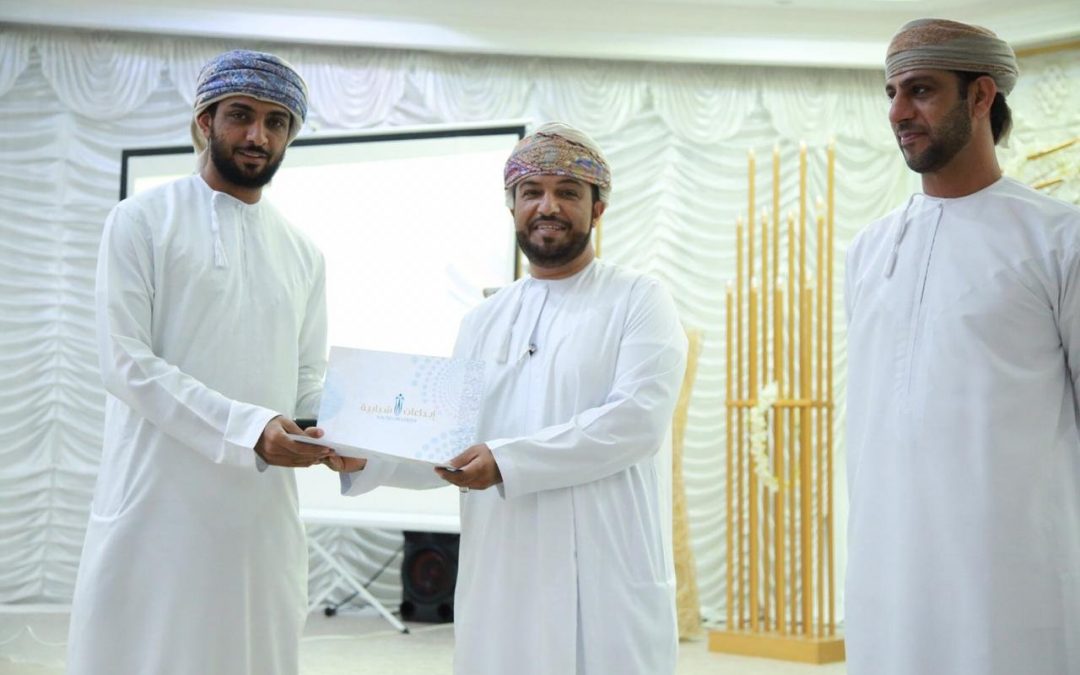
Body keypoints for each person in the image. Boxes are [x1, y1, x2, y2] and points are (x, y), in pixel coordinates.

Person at [328, 122, 688, 674]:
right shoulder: (482, 320)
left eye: (568, 192)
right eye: (531, 192)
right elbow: (448, 442)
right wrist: (366, 457)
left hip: (605, 564)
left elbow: (634, 423)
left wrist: (506, 460)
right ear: (512, 206)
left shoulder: (639, 300)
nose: (548, 206)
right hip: (504, 567)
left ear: (597, 209)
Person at [68, 50, 335, 675]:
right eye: (240, 115)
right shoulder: (141, 221)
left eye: (276, 122)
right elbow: (126, 362)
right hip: (157, 502)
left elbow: (306, 376)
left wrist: (338, 431)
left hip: (259, 514)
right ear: (204, 121)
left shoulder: (303, 252)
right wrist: (249, 429)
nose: (257, 135)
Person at [844, 18, 1080, 675]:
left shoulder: (1058, 239)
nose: (898, 112)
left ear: (980, 97)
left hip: (1011, 577)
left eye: (920, 90)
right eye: (891, 92)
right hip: (886, 565)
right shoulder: (868, 250)